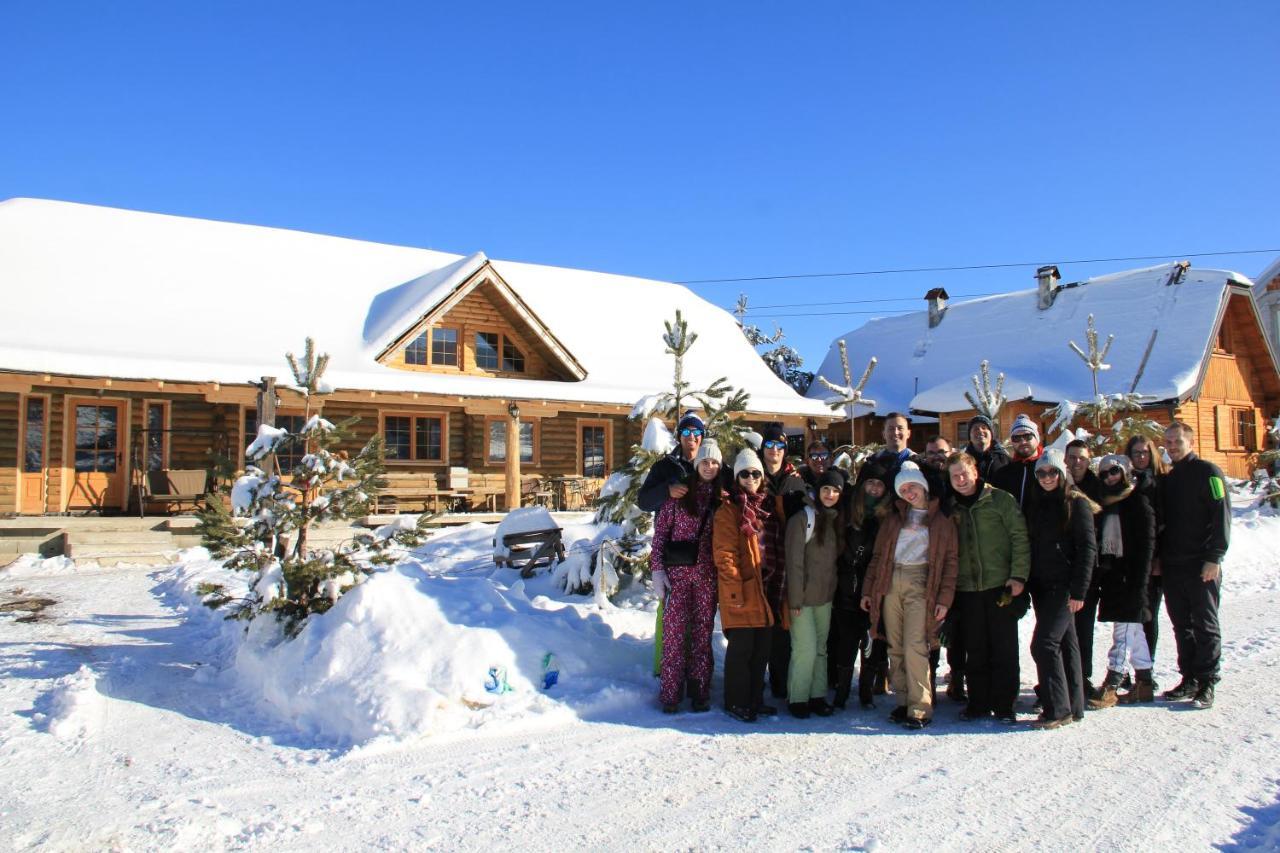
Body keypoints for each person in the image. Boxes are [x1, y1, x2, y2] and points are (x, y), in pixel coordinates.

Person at [861, 462, 958, 729]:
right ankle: (903, 702)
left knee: (915, 645)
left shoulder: (941, 519)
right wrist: (869, 590)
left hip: (921, 582)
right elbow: (878, 557)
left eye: (912, 486)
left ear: (924, 486)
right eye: (903, 489)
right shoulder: (894, 518)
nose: (908, 492)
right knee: (894, 645)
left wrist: (944, 599)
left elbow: (950, 562)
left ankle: (920, 707)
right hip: (891, 582)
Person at [948, 451, 1030, 723]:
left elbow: (1019, 537)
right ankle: (978, 702)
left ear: (975, 472)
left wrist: (1018, 575)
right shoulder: (952, 508)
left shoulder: (999, 500)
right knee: (976, 648)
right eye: (954, 475)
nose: (960, 479)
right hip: (968, 589)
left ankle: (1005, 704)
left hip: (999, 586)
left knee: (1003, 648)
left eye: (964, 473)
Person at [1158, 422, 1230, 709]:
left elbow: (1221, 515)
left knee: (1205, 624)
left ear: (1191, 441)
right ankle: (1188, 677)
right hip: (1174, 565)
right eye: (1168, 442)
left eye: (1176, 441)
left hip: (1202, 564)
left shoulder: (1209, 473)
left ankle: (1207, 681)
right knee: (1181, 625)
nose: (1172, 446)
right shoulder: (1170, 477)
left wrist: (1215, 557)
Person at [714, 448, 787, 722]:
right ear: (736, 477)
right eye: (744, 473)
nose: (750, 478)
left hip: (767, 587)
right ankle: (736, 701)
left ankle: (755, 699)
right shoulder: (729, 510)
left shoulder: (767, 507)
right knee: (742, 650)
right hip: (743, 588)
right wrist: (734, 590)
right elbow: (724, 553)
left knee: (761, 650)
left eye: (756, 473)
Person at [1025, 449, 1097, 729]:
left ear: (1062, 473)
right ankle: (1075, 705)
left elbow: (1087, 549)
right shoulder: (1035, 502)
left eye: (1052, 472)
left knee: (1044, 644)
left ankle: (1057, 709)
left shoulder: (1076, 503)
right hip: (1041, 586)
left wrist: (1079, 590)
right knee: (1067, 644)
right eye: (1041, 473)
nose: (1046, 477)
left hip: (1065, 586)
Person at [650, 441, 724, 713]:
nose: (709, 466)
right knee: (674, 636)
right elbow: (660, 536)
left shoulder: (721, 498)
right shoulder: (678, 495)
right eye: (705, 461)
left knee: (702, 637)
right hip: (677, 577)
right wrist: (657, 569)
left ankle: (699, 692)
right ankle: (671, 693)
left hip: (707, 578)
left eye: (714, 462)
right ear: (696, 464)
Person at [1089, 454, 1157, 707]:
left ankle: (1112, 682)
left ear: (1126, 471)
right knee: (1133, 628)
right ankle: (1145, 682)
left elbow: (1147, 543)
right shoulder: (1106, 501)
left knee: (1124, 628)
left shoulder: (1138, 500)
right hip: (1113, 574)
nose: (1109, 477)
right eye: (1104, 473)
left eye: (1114, 471)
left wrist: (1141, 579)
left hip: (1133, 574)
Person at [831, 459, 892, 709]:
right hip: (847, 584)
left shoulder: (888, 517)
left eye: (879, 484)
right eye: (870, 483)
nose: (874, 489)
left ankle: (866, 688)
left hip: (876, 586)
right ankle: (842, 689)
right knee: (846, 640)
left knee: (872, 640)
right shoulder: (848, 511)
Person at [784, 470, 844, 718]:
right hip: (803, 600)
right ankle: (797, 697)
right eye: (826, 489)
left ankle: (817, 695)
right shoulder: (802, 518)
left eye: (835, 491)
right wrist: (795, 598)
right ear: (817, 492)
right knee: (804, 650)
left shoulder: (835, 519)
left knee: (821, 649)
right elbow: (794, 562)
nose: (830, 495)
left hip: (825, 598)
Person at [758, 423, 805, 699]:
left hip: (787, 559)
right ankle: (756, 677)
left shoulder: (795, 480)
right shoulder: (753, 474)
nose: (774, 451)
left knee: (782, 623)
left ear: (785, 450)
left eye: (779, 447)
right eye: (769, 446)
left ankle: (779, 680)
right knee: (759, 619)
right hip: (761, 557)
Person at [923, 435, 963, 700]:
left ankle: (958, 677)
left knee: (959, 628)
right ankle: (930, 680)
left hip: (963, 562)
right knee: (932, 627)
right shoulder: (922, 481)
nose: (937, 457)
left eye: (942, 452)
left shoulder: (958, 480)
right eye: (932, 453)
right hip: (932, 563)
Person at [1063, 438, 1104, 699]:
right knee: (1062, 629)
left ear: (1089, 461)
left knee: (1084, 627)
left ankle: (1082, 678)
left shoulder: (1096, 488)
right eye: (1072, 457)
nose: (1077, 462)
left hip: (1089, 568)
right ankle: (1062, 678)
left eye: (1082, 457)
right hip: (1061, 569)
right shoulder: (1058, 484)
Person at [1126, 434, 1166, 677]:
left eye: (1144, 452)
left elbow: (1165, 523)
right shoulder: (1124, 480)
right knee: (1129, 616)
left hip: (1153, 561)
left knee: (1148, 614)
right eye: (1136, 453)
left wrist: (1158, 557)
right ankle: (1128, 670)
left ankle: (1146, 670)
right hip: (1129, 561)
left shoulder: (1161, 482)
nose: (1140, 457)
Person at [637, 411, 704, 513]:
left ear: (702, 436)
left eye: (696, 432)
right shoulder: (663, 467)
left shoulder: (713, 466)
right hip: (670, 528)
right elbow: (643, 502)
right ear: (679, 436)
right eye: (686, 432)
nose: (691, 436)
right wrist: (667, 491)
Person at [990, 414, 1044, 512]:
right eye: (1016, 438)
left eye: (1028, 436)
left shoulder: (1048, 470)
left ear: (1037, 438)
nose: (1023, 442)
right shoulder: (1003, 474)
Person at [964, 415, 1010, 481]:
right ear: (969, 436)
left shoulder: (1004, 459)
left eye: (984, 427)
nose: (980, 430)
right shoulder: (963, 460)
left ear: (991, 434)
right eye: (975, 428)